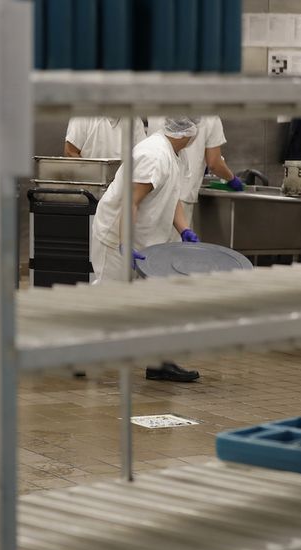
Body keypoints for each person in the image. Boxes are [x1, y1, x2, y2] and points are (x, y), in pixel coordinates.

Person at [90, 117, 202, 382]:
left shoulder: (175, 153)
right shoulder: (153, 155)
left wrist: (184, 229)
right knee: (108, 298)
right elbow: (132, 201)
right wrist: (125, 243)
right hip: (117, 238)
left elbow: (171, 194)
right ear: (190, 131)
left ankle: (159, 362)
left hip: (147, 242)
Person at [147, 115, 243, 238]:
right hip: (183, 193)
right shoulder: (210, 117)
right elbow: (214, 163)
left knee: (152, 246)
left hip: (153, 191)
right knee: (173, 250)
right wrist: (232, 179)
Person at [64, 117, 147, 159]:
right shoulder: (83, 115)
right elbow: (70, 152)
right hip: (90, 185)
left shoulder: (134, 120)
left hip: (122, 184)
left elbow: (142, 156)